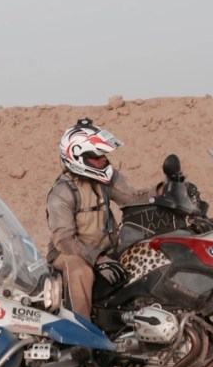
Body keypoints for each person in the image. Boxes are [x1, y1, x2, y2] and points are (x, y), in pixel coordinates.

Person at [45, 118, 155, 318]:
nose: (103, 160)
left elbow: (132, 199)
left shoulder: (106, 177)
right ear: (77, 157)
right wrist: (97, 258)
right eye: (96, 156)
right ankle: (80, 338)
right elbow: (64, 240)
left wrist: (163, 191)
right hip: (71, 253)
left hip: (106, 249)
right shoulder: (63, 191)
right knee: (80, 272)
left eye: (103, 154)